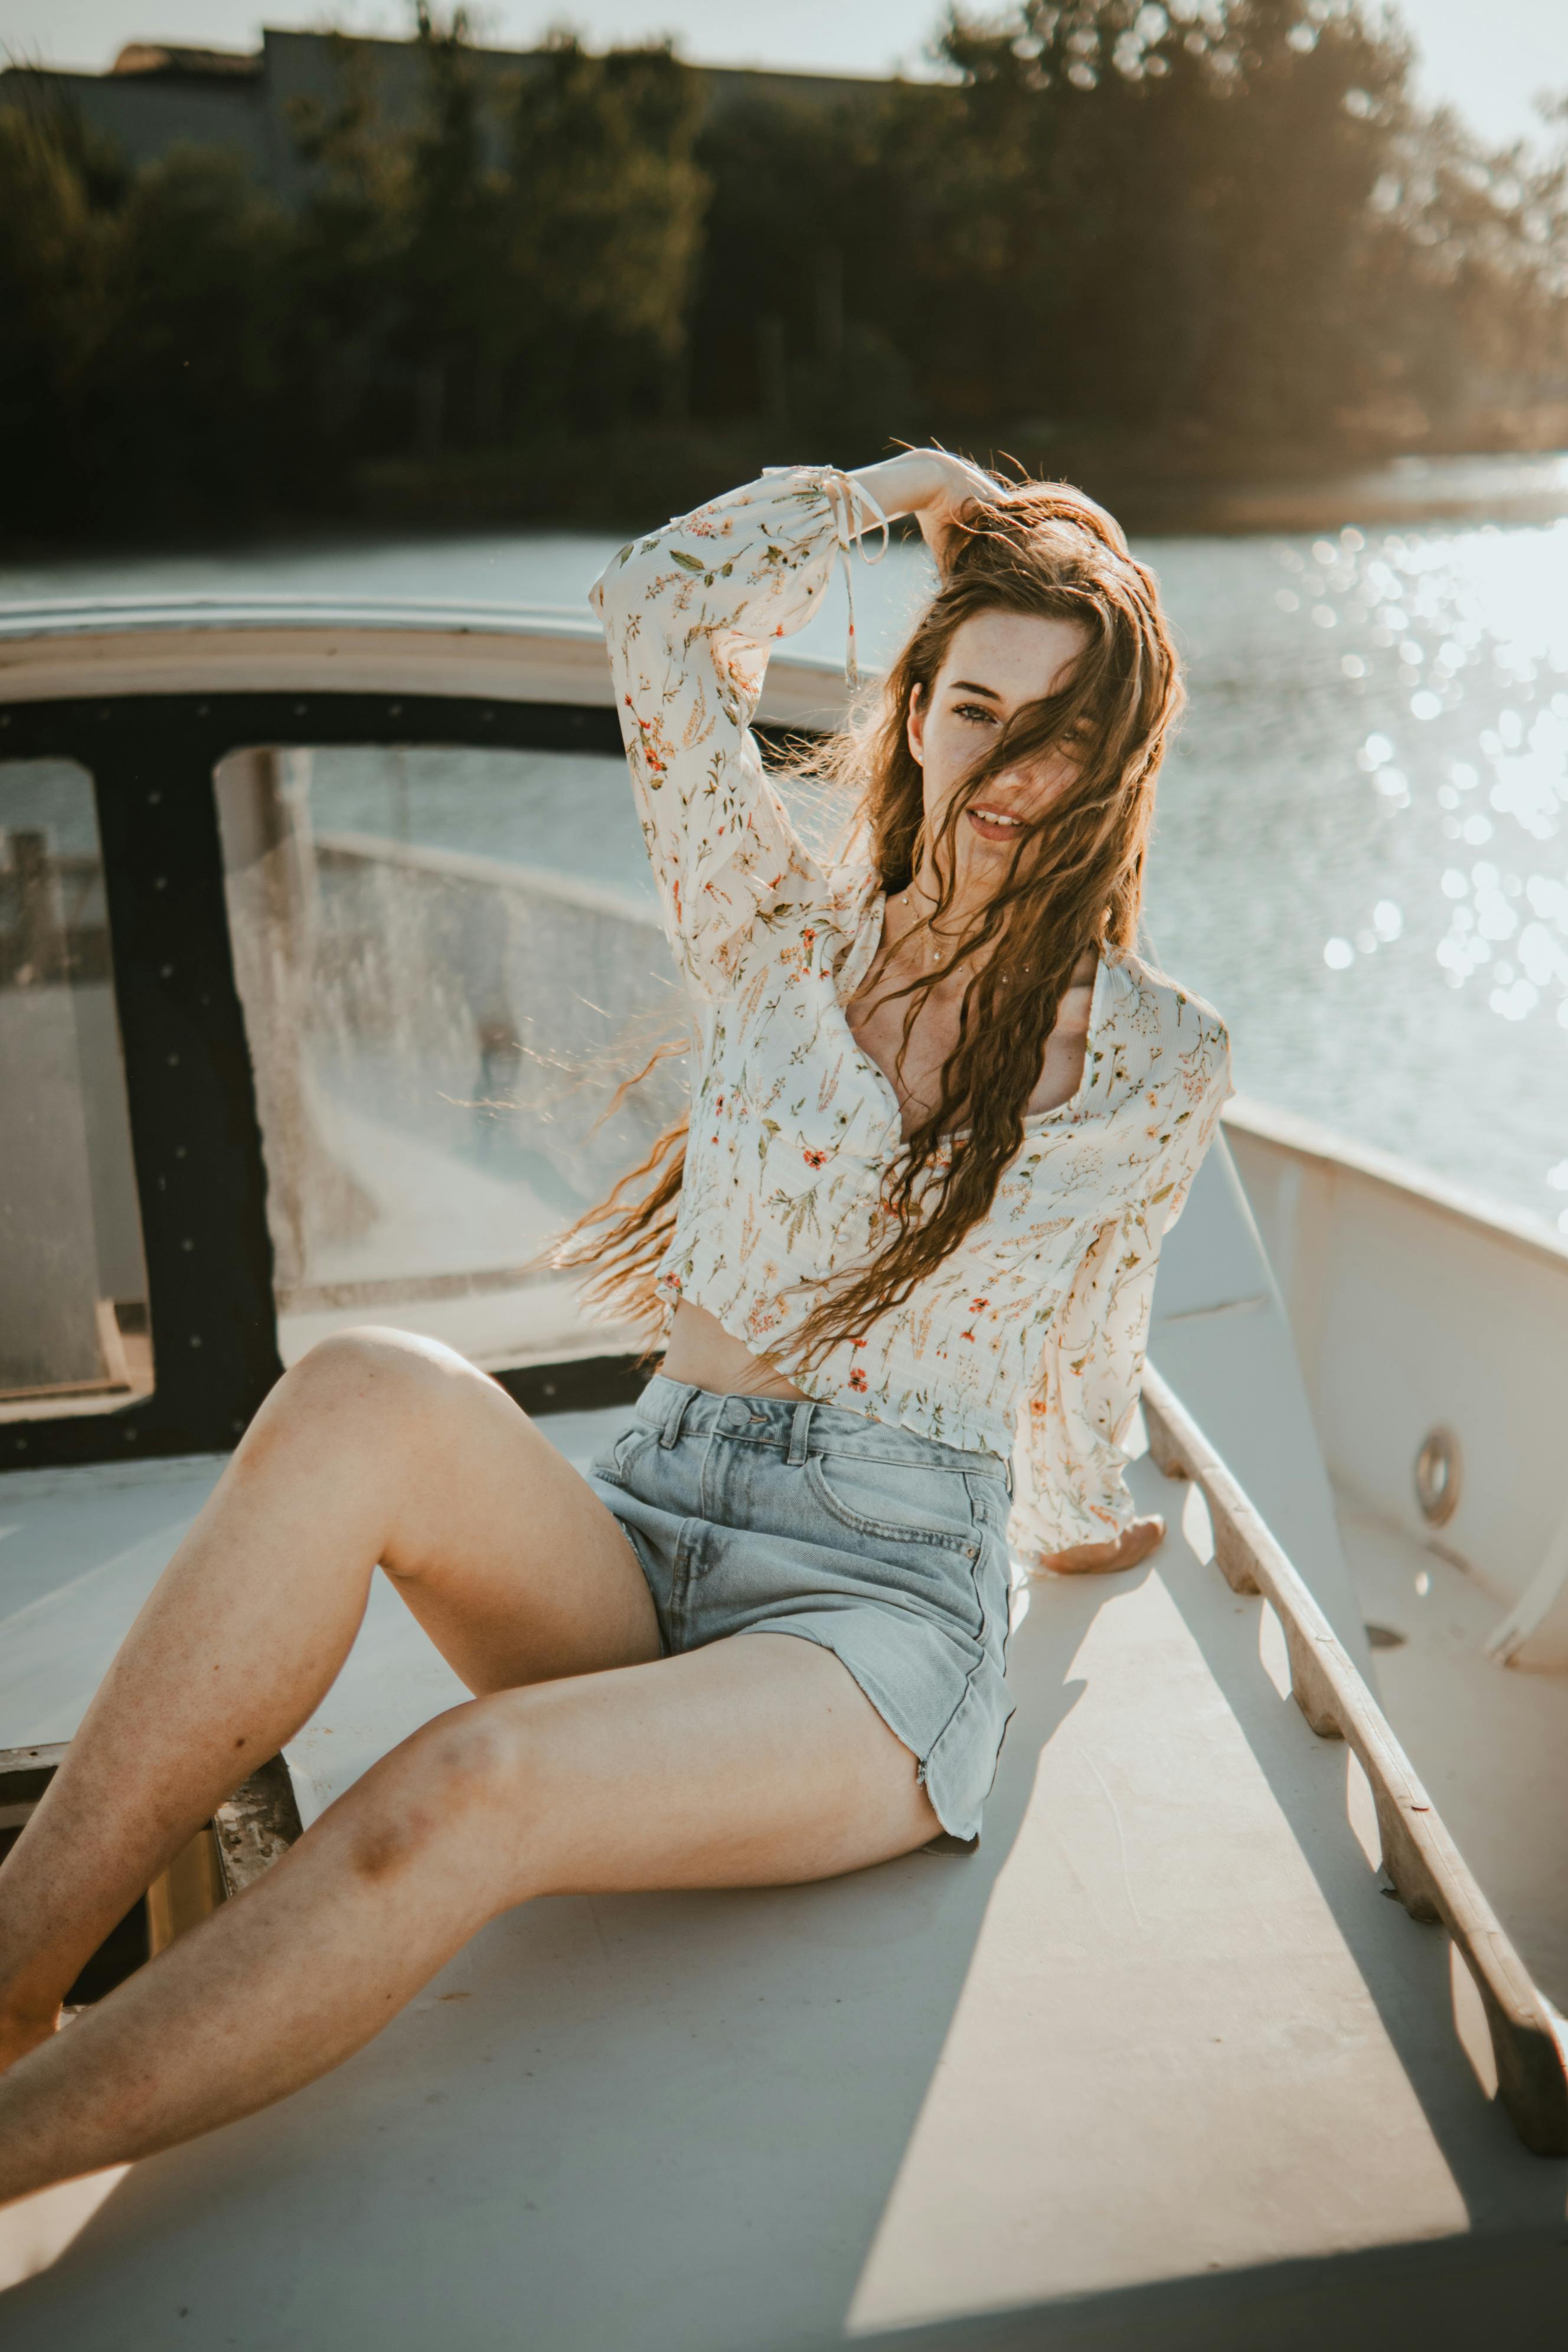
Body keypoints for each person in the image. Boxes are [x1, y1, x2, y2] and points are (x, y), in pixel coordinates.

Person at [0, 450, 1230, 2204]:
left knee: (468, 1782)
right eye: (977, 709)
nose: (1012, 770)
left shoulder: (1159, 1058)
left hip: (873, 1625)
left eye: (1065, 733)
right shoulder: (768, 930)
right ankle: (13, 1976)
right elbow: (654, 606)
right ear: (914, 714)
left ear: (1122, 762)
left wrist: (1078, 1511)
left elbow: (1096, 1320)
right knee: (359, 1388)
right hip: (651, 1528)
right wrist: (890, 492)